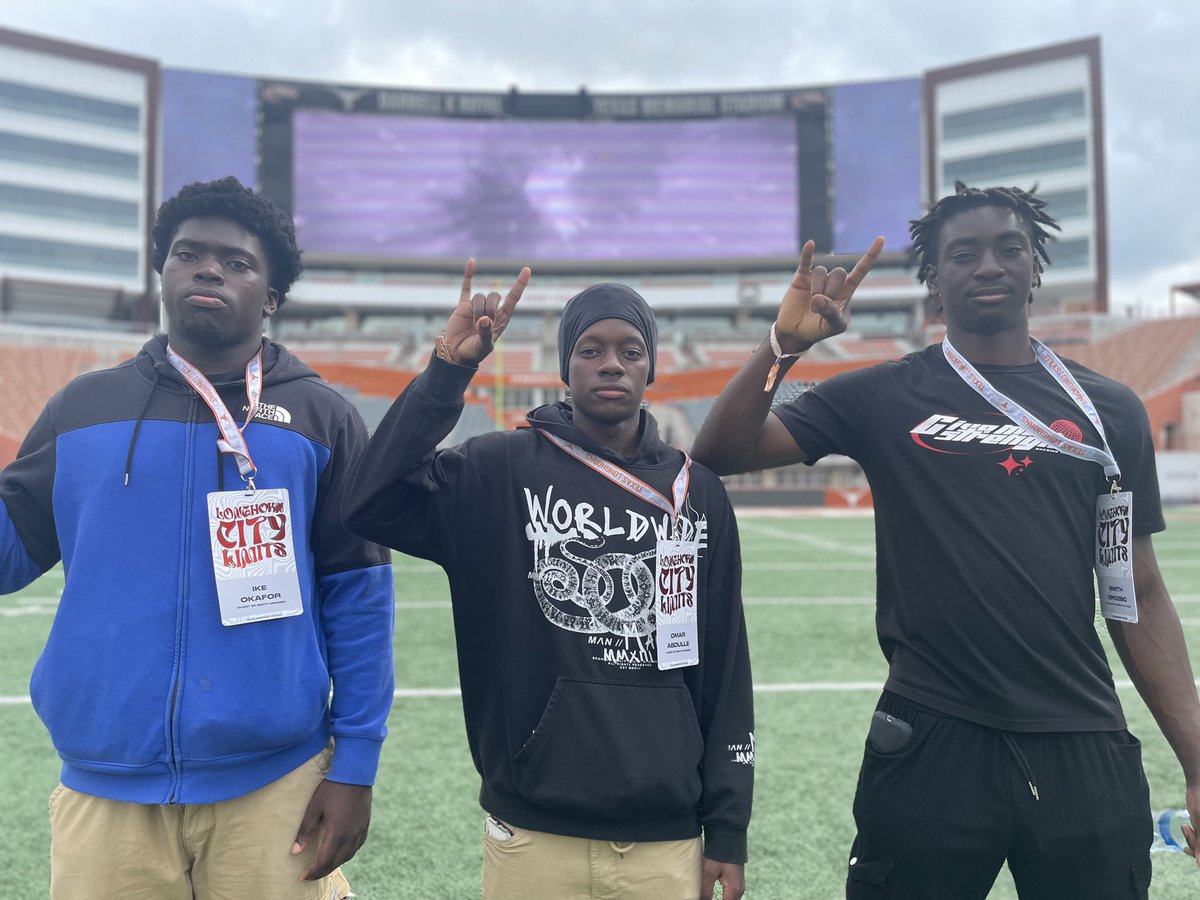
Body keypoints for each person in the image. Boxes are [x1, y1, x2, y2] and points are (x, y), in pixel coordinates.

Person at [691, 182, 1200, 899]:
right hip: (931, 736)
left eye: (1008, 249)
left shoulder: (1109, 411)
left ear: (1035, 267)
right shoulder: (885, 393)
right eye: (964, 253)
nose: (988, 265)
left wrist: (1197, 758)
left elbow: (1135, 589)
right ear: (934, 277)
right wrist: (785, 346)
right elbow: (720, 451)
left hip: (1081, 736)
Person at [0, 176, 395, 899]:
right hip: (106, 791)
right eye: (189, 254)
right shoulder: (82, 408)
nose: (209, 269)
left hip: (276, 787)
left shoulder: (323, 416)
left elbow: (360, 601)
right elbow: (9, 551)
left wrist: (356, 764)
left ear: (271, 297)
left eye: (238, 262)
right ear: (163, 275)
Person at [343, 262, 754, 900]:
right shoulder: (497, 471)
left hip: (666, 838)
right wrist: (448, 371)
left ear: (651, 369)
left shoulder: (696, 492)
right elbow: (368, 501)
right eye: (590, 349)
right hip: (533, 834)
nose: (611, 364)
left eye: (630, 350)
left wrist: (727, 828)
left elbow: (726, 666)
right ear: (566, 367)